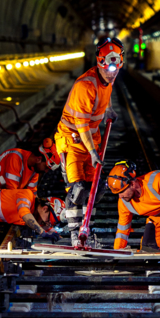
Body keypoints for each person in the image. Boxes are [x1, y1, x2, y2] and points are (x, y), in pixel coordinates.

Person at [54, 37, 123, 247]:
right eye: (109, 69)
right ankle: (75, 233)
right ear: (100, 63)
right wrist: (94, 153)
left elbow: (107, 89)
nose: (112, 74)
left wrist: (108, 109)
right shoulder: (85, 86)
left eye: (116, 68)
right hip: (72, 140)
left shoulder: (108, 77)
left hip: (91, 140)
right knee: (78, 189)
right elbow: (82, 126)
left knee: (95, 189)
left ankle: (86, 229)